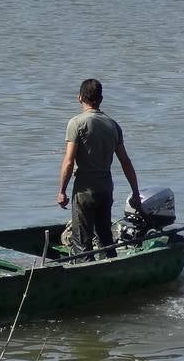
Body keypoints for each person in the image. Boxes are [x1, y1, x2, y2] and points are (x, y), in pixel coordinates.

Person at [57, 79, 142, 260]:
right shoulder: (113, 125)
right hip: (106, 189)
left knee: (81, 243)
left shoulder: (76, 123)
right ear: (101, 99)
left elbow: (69, 161)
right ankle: (111, 269)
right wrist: (135, 192)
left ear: (79, 98)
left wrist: (62, 191)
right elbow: (125, 161)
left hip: (84, 191)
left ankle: (84, 275)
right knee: (105, 238)